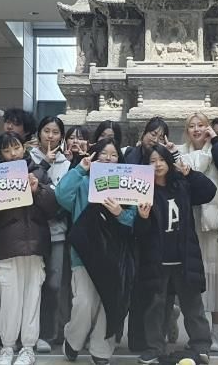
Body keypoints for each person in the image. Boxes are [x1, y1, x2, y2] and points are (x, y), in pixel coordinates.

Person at [55, 138, 136, 365]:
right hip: (85, 252)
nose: (109, 158)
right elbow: (61, 195)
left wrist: (120, 213)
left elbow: (135, 219)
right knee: (84, 302)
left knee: (109, 303)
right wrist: (80, 168)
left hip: (116, 253)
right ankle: (73, 339)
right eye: (104, 154)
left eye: (114, 154)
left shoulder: (128, 183)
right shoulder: (83, 181)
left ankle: (101, 349)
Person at [135, 144, 217, 365]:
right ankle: (155, 348)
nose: (157, 165)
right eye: (152, 161)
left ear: (169, 162)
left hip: (184, 257)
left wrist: (189, 173)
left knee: (193, 305)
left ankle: (201, 346)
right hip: (156, 259)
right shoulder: (142, 191)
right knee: (155, 306)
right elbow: (139, 233)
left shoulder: (181, 185)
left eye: (161, 160)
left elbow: (209, 191)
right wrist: (142, 218)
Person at [0, 132, 58, 365]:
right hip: (6, 247)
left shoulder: (39, 173)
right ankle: (7, 347)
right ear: (1, 154)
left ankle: (27, 348)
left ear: (23, 148)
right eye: (6, 150)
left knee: (32, 298)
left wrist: (38, 190)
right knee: (9, 300)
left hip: (35, 246)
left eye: (15, 148)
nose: (12, 154)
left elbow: (53, 209)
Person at [178, 113, 218, 352]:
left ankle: (215, 333)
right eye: (191, 126)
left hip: (214, 227)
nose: (196, 129)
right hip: (188, 224)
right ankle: (197, 333)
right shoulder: (178, 154)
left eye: (201, 125)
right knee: (191, 281)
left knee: (217, 282)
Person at [125, 116, 180, 350]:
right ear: (143, 133)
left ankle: (160, 335)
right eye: (152, 133)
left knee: (162, 290)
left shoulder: (166, 160)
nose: (155, 138)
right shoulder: (131, 154)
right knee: (139, 288)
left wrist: (172, 155)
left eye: (160, 135)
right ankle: (138, 340)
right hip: (133, 228)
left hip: (160, 233)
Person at [29, 117, 71, 353]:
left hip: (57, 232)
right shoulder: (27, 159)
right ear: (39, 133)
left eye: (56, 132)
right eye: (46, 131)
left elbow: (67, 197)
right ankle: (30, 333)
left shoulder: (67, 164)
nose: (51, 136)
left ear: (61, 137)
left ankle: (49, 332)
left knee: (54, 285)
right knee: (32, 285)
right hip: (31, 232)